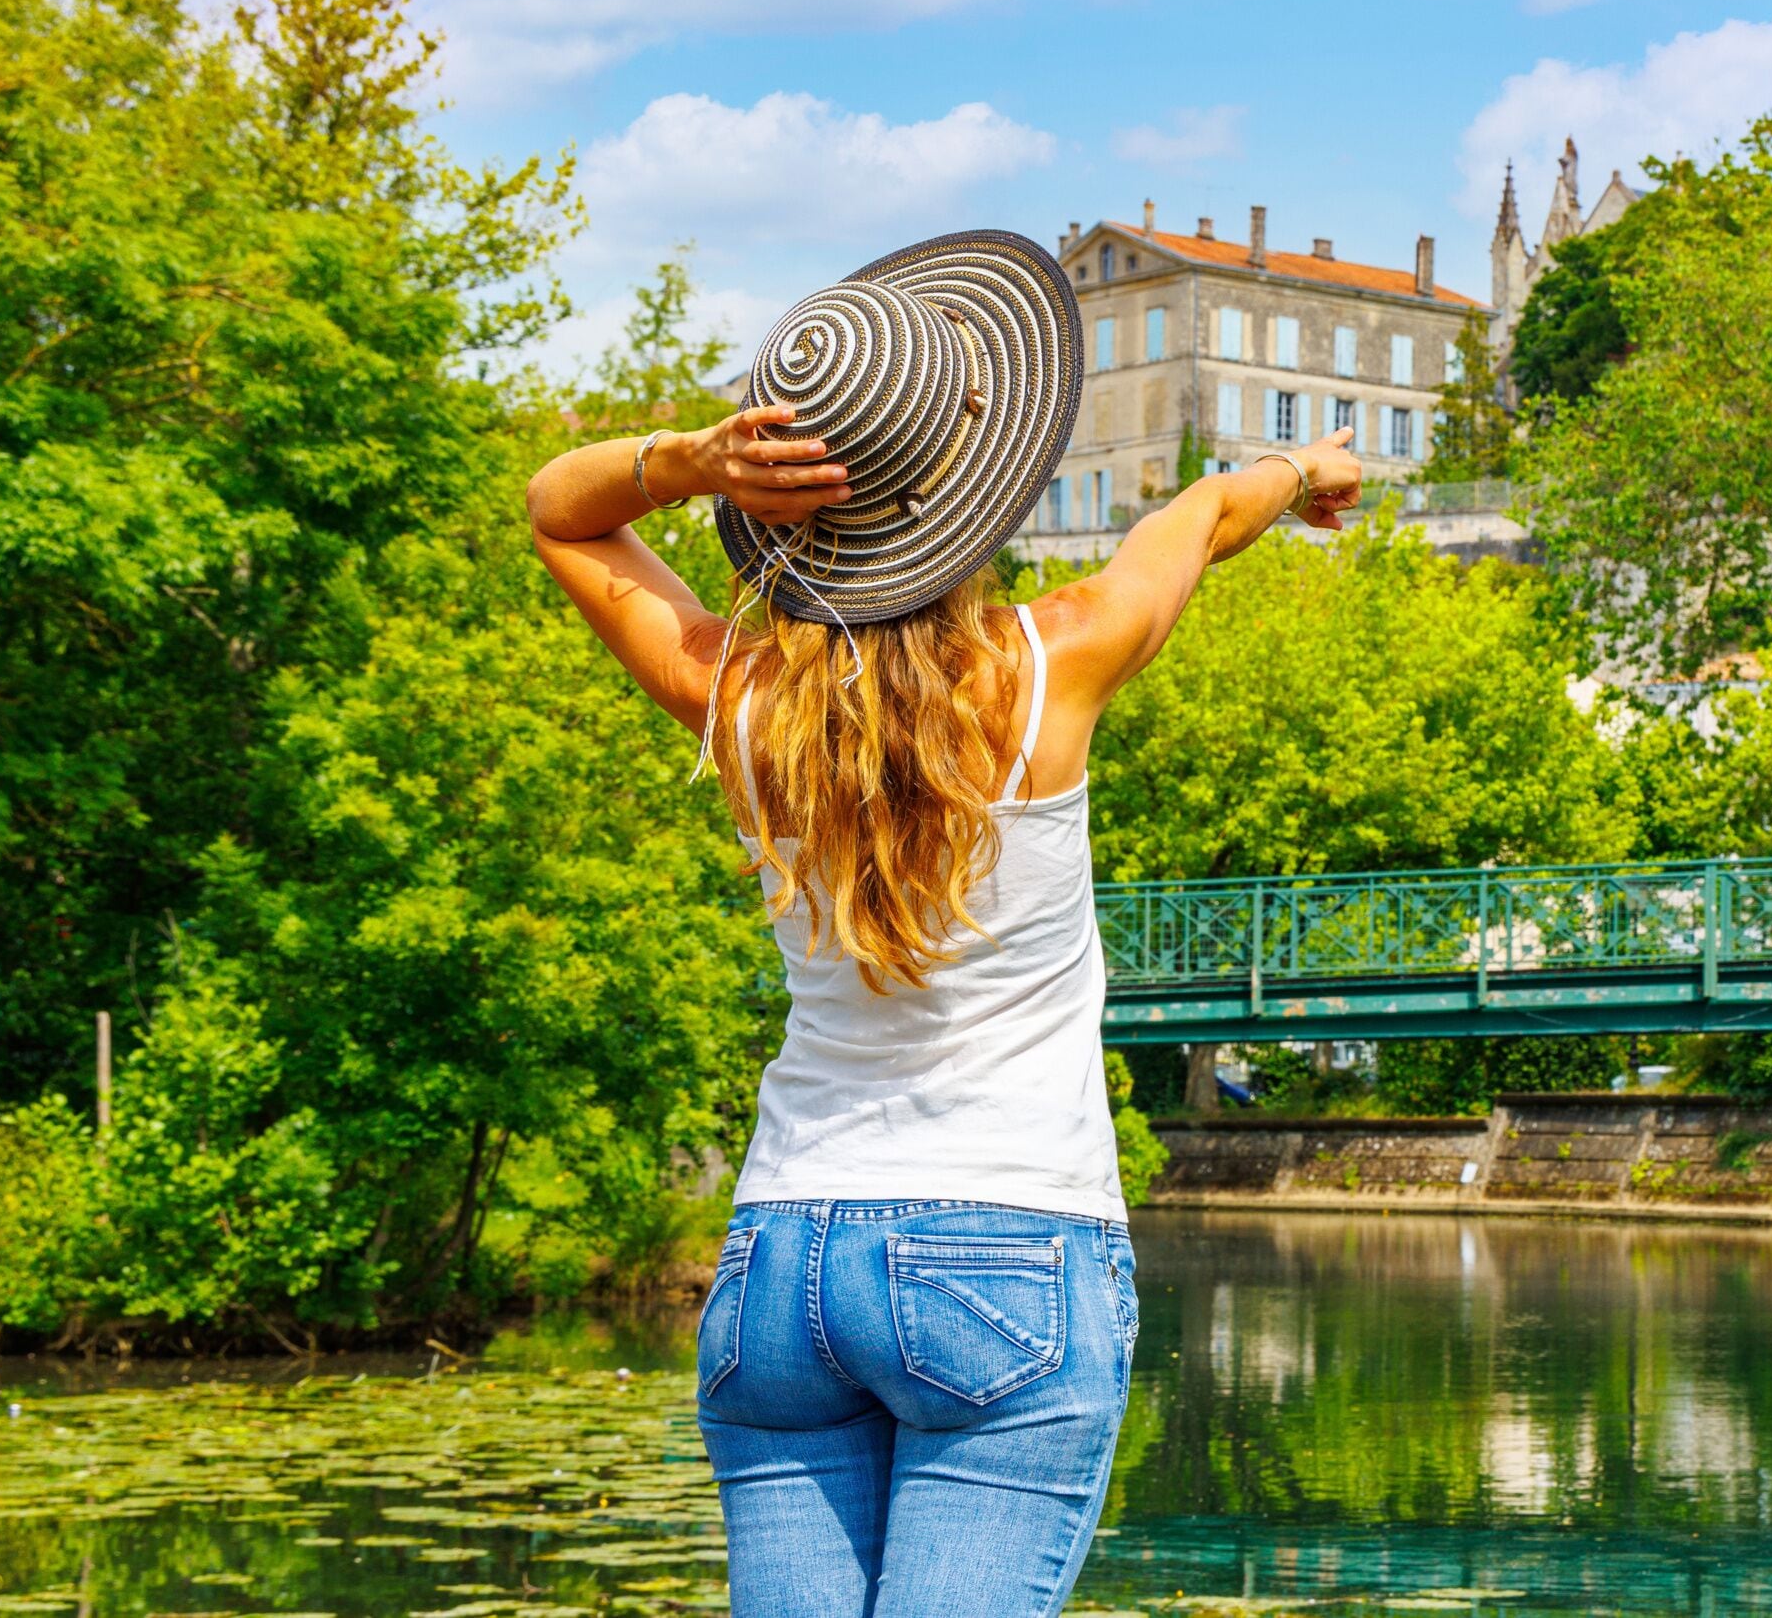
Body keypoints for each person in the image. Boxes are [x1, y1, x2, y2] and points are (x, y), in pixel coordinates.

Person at [523, 229, 1360, 1618]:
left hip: (785, 1259)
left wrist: (688, 462)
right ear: (968, 498)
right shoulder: (1061, 659)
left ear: (784, 506)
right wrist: (1301, 470)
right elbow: (1203, 515)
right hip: (1007, 1244)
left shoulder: (741, 703)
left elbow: (563, 510)